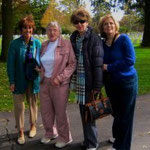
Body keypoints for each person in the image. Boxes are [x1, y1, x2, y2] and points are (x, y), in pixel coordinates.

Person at [99, 14, 138, 150]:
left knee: (125, 115)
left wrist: (109, 67)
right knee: (116, 113)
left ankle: (122, 146)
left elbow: (130, 60)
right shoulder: (103, 44)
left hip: (126, 82)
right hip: (111, 83)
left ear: (116, 25)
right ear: (102, 28)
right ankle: (117, 137)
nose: (109, 26)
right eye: (105, 24)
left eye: (111, 23)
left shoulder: (123, 39)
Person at [70, 7, 104, 150]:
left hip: (90, 82)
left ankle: (92, 143)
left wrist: (97, 86)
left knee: (90, 113)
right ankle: (87, 140)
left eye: (82, 21)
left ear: (87, 21)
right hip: (79, 81)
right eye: (76, 22)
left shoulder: (94, 38)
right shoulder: (74, 37)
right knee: (84, 112)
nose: (79, 24)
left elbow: (98, 64)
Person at [39, 21, 76, 148]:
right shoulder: (44, 45)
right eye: (49, 30)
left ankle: (65, 138)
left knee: (60, 112)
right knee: (46, 111)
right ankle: (50, 133)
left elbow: (72, 64)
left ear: (59, 31)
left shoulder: (66, 44)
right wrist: (40, 70)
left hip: (59, 84)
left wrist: (60, 78)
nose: (51, 32)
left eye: (54, 29)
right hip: (45, 83)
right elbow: (42, 62)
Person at [7, 15, 41, 145]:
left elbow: (40, 60)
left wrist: (40, 67)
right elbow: (10, 64)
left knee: (33, 104)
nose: (28, 30)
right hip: (19, 80)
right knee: (19, 107)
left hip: (33, 80)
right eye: (25, 28)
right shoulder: (14, 44)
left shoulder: (37, 43)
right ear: (21, 30)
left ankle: (33, 126)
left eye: (30, 28)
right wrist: (12, 81)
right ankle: (20, 131)